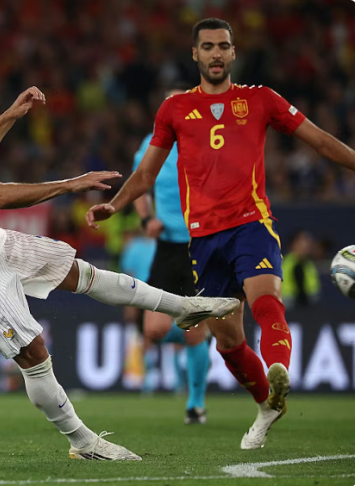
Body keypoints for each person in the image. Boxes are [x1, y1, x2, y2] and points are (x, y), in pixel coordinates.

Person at [0, 77, 239, 461]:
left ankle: (183, 307)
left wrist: (10, 115)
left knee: (79, 272)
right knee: (34, 353)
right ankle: (83, 442)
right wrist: (69, 185)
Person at [86, 18, 355, 450]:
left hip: (251, 223)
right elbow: (146, 173)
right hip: (204, 240)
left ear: (233, 53)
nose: (216, 53)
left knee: (266, 300)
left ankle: (278, 369)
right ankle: (267, 406)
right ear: (195, 53)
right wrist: (115, 205)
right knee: (227, 340)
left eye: (223, 46)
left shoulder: (261, 99)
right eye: (208, 46)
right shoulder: (174, 110)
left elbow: (320, 141)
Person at [133, 82, 211, 425]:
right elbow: (139, 185)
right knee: (153, 328)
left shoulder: (207, 143)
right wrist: (146, 219)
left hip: (199, 246)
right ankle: (199, 336)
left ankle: (196, 403)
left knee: (194, 330)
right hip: (167, 247)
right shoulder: (150, 146)